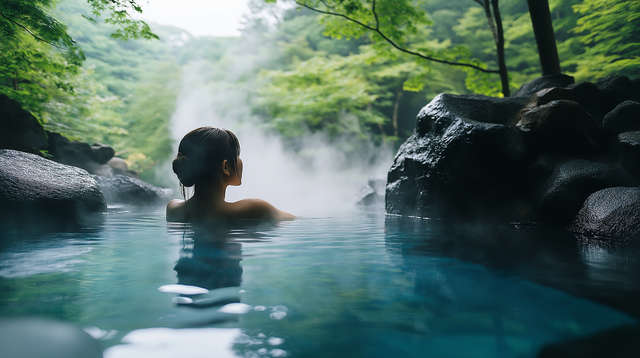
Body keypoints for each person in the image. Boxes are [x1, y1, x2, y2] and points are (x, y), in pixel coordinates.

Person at [166, 127, 295, 222]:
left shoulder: (173, 210)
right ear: (226, 167)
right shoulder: (256, 210)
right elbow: (294, 221)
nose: (240, 161)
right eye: (237, 155)